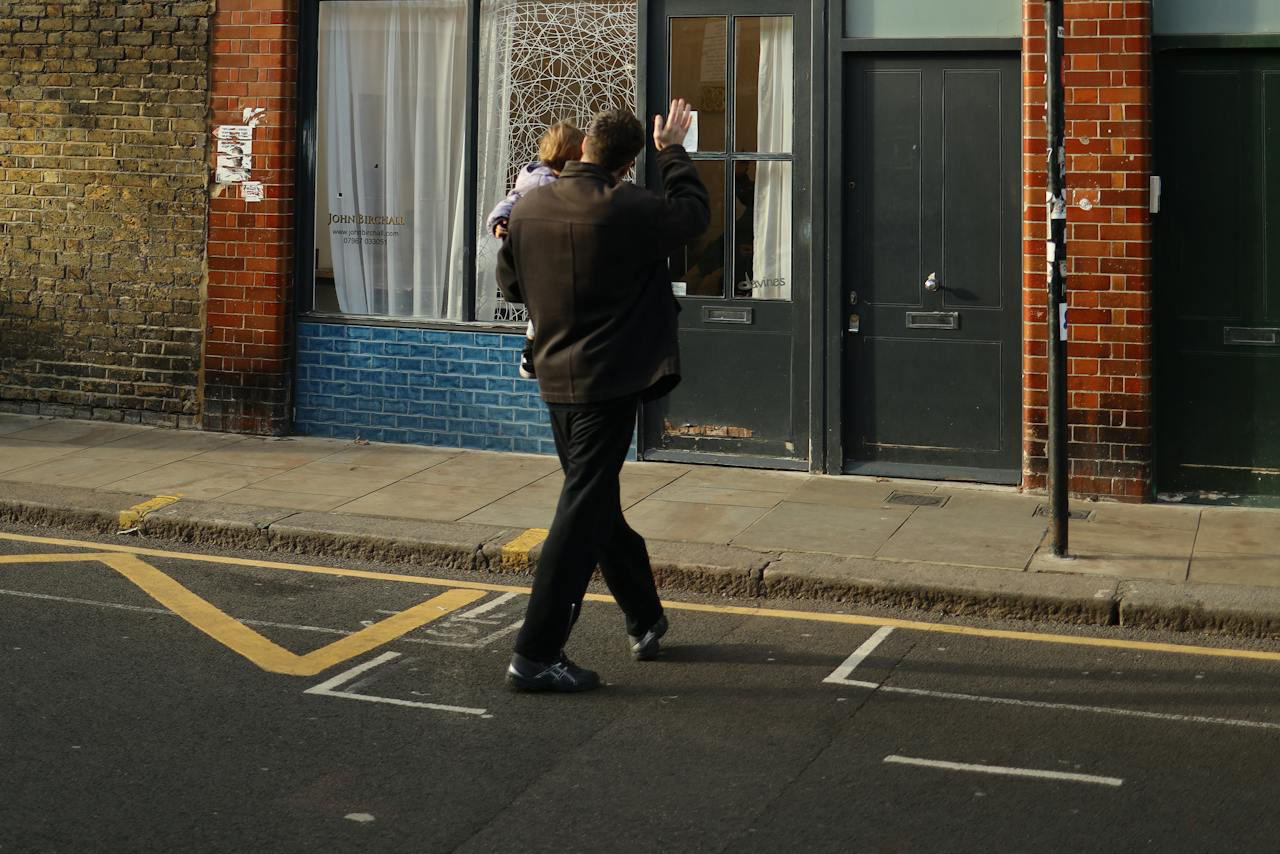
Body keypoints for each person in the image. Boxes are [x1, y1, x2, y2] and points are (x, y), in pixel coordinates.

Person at [495, 100, 708, 692]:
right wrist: (675, 152)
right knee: (582, 507)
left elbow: (510, 282)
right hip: (610, 381)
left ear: (586, 146)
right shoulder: (630, 206)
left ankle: (644, 616)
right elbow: (693, 218)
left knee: (594, 500)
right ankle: (534, 653)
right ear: (627, 162)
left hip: (555, 378)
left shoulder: (529, 205)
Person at [485, 121, 585, 380]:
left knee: (542, 307)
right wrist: (499, 222)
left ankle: (533, 352)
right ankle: (532, 352)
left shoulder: (544, 177)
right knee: (545, 304)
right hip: (541, 254)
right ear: (573, 153)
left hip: (541, 253)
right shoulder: (541, 181)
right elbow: (513, 199)